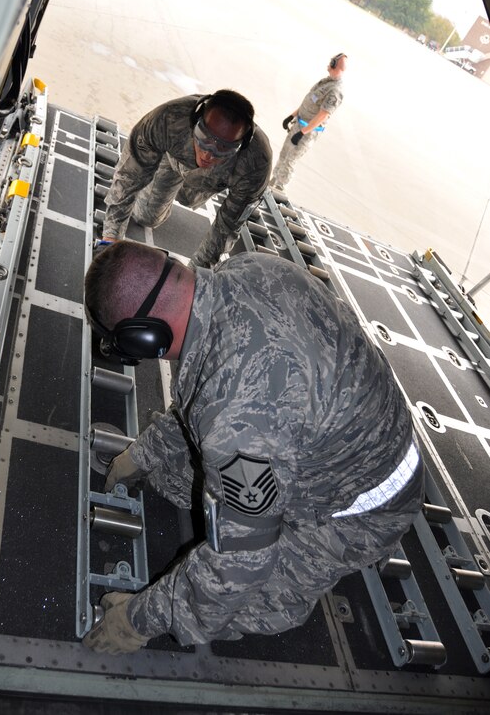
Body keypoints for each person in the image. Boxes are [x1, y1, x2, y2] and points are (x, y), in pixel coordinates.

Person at [82, 240, 424, 653]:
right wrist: (143, 453)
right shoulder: (248, 267)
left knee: (247, 600)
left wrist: (141, 619)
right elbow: (210, 389)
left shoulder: (237, 419)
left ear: (143, 337)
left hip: (363, 508)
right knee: (175, 476)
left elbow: (240, 564)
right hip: (343, 432)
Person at [102, 90, 272, 268]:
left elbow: (227, 227)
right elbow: (129, 177)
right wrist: (110, 237)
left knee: (188, 198)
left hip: (211, 182)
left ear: (241, 145)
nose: (208, 154)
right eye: (204, 138)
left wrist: (195, 273)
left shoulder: (257, 163)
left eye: (223, 147)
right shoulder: (168, 118)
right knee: (146, 217)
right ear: (196, 120)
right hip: (174, 160)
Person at [271, 53, 347, 191]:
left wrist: (302, 132)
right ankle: (273, 181)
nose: (329, 63)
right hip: (298, 125)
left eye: (332, 61)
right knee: (284, 154)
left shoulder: (335, 90)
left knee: (290, 160)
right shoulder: (326, 81)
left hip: (307, 132)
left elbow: (323, 115)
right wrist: (292, 116)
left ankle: (280, 188)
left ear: (335, 65)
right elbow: (309, 101)